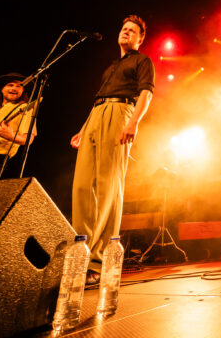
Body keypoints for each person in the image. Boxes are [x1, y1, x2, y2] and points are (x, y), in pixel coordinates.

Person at [70, 15, 155, 284]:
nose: (126, 33)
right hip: (96, 116)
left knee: (108, 187)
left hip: (120, 113)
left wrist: (134, 122)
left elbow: (146, 94)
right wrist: (84, 128)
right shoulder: (110, 68)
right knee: (83, 187)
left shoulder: (142, 61)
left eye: (132, 31)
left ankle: (98, 262)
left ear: (140, 39)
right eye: (124, 29)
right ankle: (80, 253)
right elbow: (98, 100)